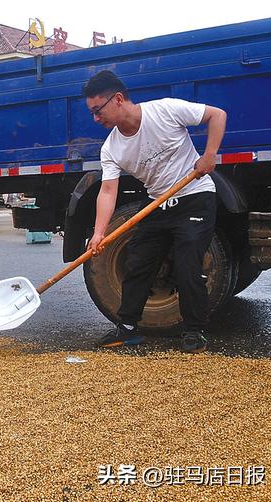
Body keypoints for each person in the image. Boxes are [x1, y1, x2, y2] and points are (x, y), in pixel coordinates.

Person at [83, 70, 227, 353]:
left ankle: (194, 331)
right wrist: (99, 233)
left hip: (194, 196)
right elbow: (108, 191)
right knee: (138, 263)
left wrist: (209, 155)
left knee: (187, 263)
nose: (96, 119)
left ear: (119, 99)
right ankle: (127, 329)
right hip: (157, 203)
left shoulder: (165, 111)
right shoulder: (111, 148)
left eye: (98, 111)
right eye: (92, 113)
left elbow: (217, 115)